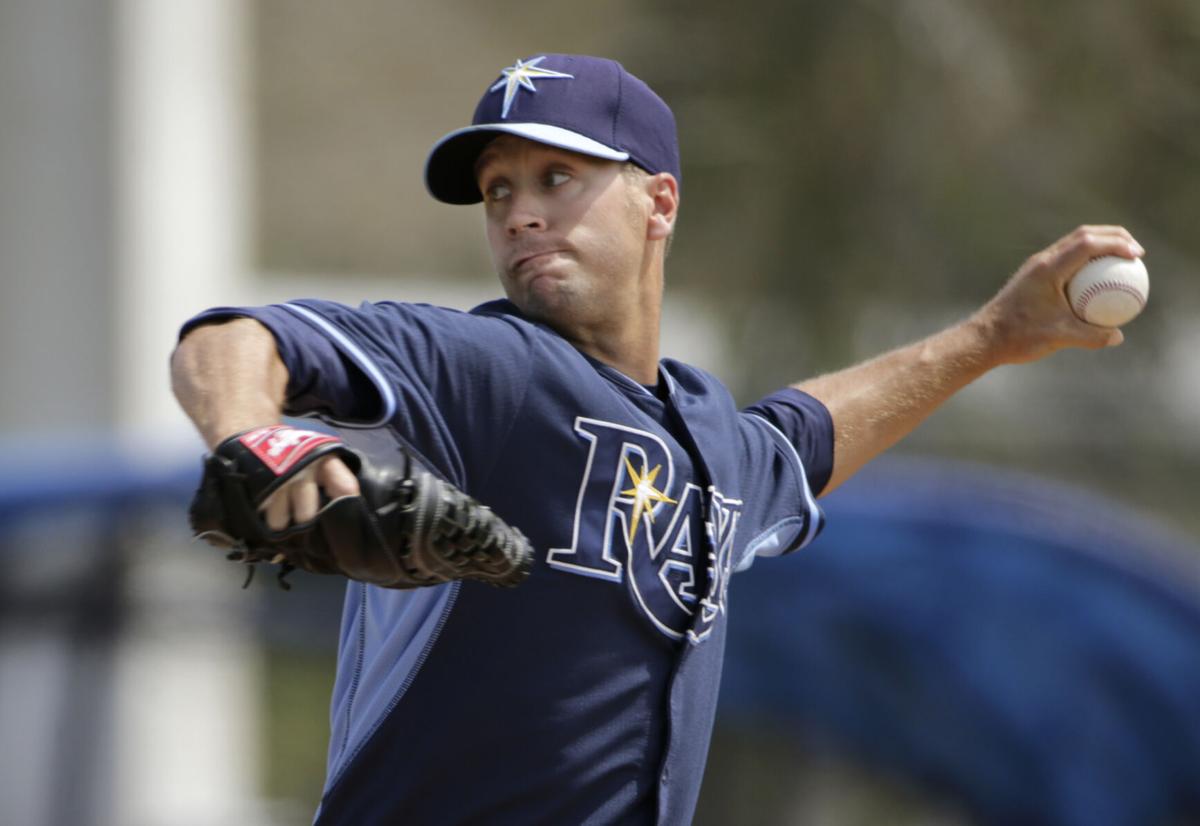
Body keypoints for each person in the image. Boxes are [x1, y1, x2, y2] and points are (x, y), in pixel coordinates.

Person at [170, 54, 1144, 825]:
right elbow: (235, 338)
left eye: (557, 175)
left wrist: (992, 337)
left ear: (660, 203)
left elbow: (802, 440)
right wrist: (253, 439)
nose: (521, 213)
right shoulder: (483, 369)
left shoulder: (712, 442)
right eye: (499, 189)